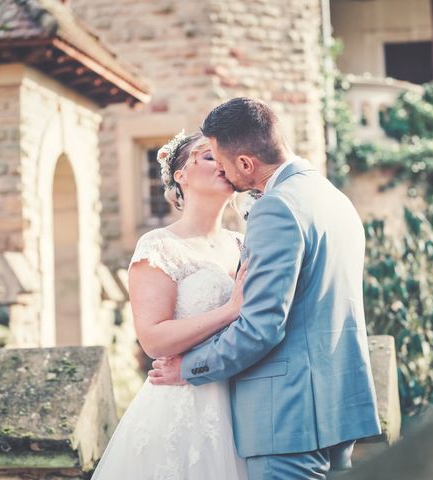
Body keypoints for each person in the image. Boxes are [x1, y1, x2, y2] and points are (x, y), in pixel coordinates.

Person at [150, 98, 382, 480]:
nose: (221, 171)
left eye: (221, 162)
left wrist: (187, 369)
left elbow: (261, 327)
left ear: (245, 163)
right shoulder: (332, 198)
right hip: (336, 407)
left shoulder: (277, 208)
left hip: (287, 416)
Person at [91, 131, 248, 479]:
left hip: (243, 401)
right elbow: (154, 339)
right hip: (183, 404)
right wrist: (229, 310)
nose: (222, 164)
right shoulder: (159, 246)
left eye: (225, 157)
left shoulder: (243, 245)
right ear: (181, 175)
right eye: (209, 157)